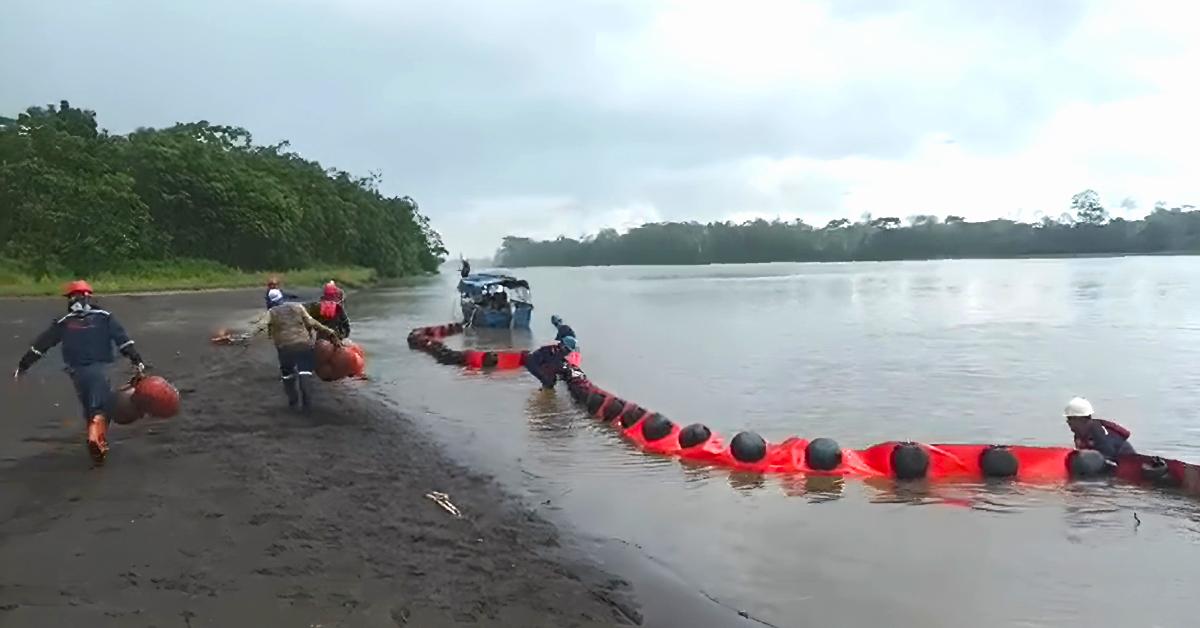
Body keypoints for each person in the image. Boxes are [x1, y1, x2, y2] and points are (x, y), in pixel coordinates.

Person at [13, 280, 146, 466]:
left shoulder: (64, 322)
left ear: (71, 299)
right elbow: (123, 341)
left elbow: (41, 345)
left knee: (88, 403)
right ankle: (97, 437)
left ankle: (95, 434)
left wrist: (23, 365)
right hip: (101, 368)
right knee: (102, 405)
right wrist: (136, 360)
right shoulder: (105, 317)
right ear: (88, 296)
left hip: (77, 372)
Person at [252, 288, 339, 410]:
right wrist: (329, 331)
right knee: (305, 372)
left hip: (284, 347)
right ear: (282, 298)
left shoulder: (271, 312)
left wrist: (246, 336)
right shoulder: (297, 307)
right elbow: (312, 322)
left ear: (270, 301)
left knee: (288, 375)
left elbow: (260, 326)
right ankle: (307, 403)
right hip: (303, 344)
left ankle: (293, 400)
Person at [1064, 397, 1135, 462]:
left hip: (1127, 461)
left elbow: (1108, 457)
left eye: (1070, 418)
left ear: (1082, 419)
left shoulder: (1099, 432)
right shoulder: (1078, 434)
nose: (1068, 422)